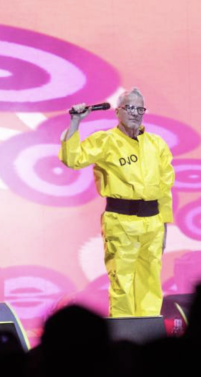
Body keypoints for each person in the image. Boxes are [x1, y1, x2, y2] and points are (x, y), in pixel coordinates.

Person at [59, 88, 175, 317]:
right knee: (122, 281)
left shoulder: (157, 144)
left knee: (151, 281)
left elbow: (165, 188)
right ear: (118, 111)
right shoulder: (105, 140)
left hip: (152, 223)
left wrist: (164, 226)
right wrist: (75, 122)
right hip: (121, 221)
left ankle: (149, 330)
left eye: (140, 109)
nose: (135, 113)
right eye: (129, 108)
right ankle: (124, 333)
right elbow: (73, 159)